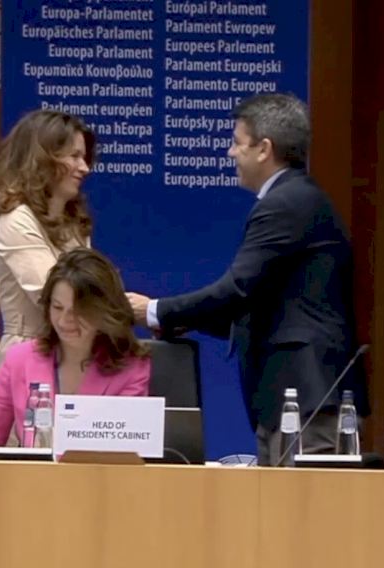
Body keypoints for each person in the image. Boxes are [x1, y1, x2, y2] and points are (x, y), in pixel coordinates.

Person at [126, 94, 367, 466]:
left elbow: (237, 289)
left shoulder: (285, 204)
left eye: (237, 142)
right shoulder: (297, 198)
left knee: (303, 502)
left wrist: (154, 310)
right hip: (288, 399)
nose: (230, 152)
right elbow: (258, 304)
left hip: (307, 397)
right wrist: (184, 319)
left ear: (264, 149)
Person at [0, 249, 150, 459]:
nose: (64, 321)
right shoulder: (20, 359)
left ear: (104, 310)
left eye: (78, 311)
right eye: (57, 307)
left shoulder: (132, 367)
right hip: (30, 486)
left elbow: (126, 454)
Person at [0, 109, 96, 435]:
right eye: (74, 156)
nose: (85, 168)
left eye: (84, 157)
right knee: (17, 455)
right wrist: (131, 308)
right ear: (43, 159)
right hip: (29, 357)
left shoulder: (73, 224)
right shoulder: (17, 221)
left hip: (73, 355)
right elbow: (56, 295)